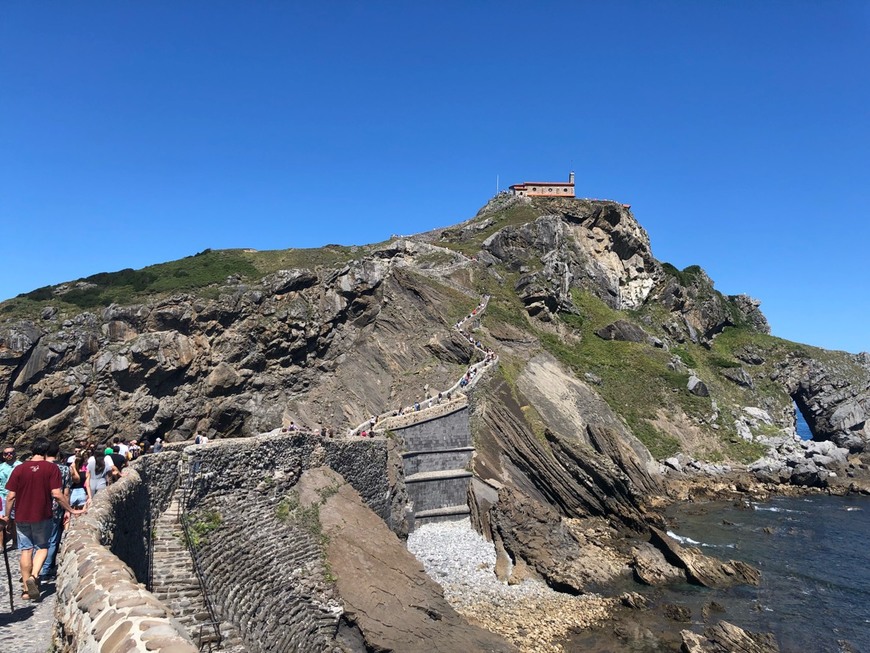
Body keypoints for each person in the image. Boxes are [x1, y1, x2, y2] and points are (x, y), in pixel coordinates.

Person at [2, 436, 84, 601]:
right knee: (42, 547)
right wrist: (71, 510)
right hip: (42, 514)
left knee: (25, 549)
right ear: (46, 451)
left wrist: (7, 517)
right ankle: (34, 576)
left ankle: (26, 590)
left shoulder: (19, 469)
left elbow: (11, 496)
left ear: (31, 450)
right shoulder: (51, 469)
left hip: (21, 515)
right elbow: (57, 494)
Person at [40, 440, 70, 581]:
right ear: (57, 453)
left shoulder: (40, 467)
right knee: (52, 540)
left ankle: (36, 568)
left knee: (38, 540)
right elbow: (65, 492)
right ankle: (46, 570)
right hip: (56, 508)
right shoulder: (64, 469)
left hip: (39, 507)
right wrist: (68, 510)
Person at [0, 445, 21, 515]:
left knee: (15, 521)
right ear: (3, 455)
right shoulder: (1, 467)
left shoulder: (21, 466)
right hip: (2, 497)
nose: (8, 455)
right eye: (6, 453)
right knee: (3, 522)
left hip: (16, 498)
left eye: (11, 453)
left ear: (15, 454)